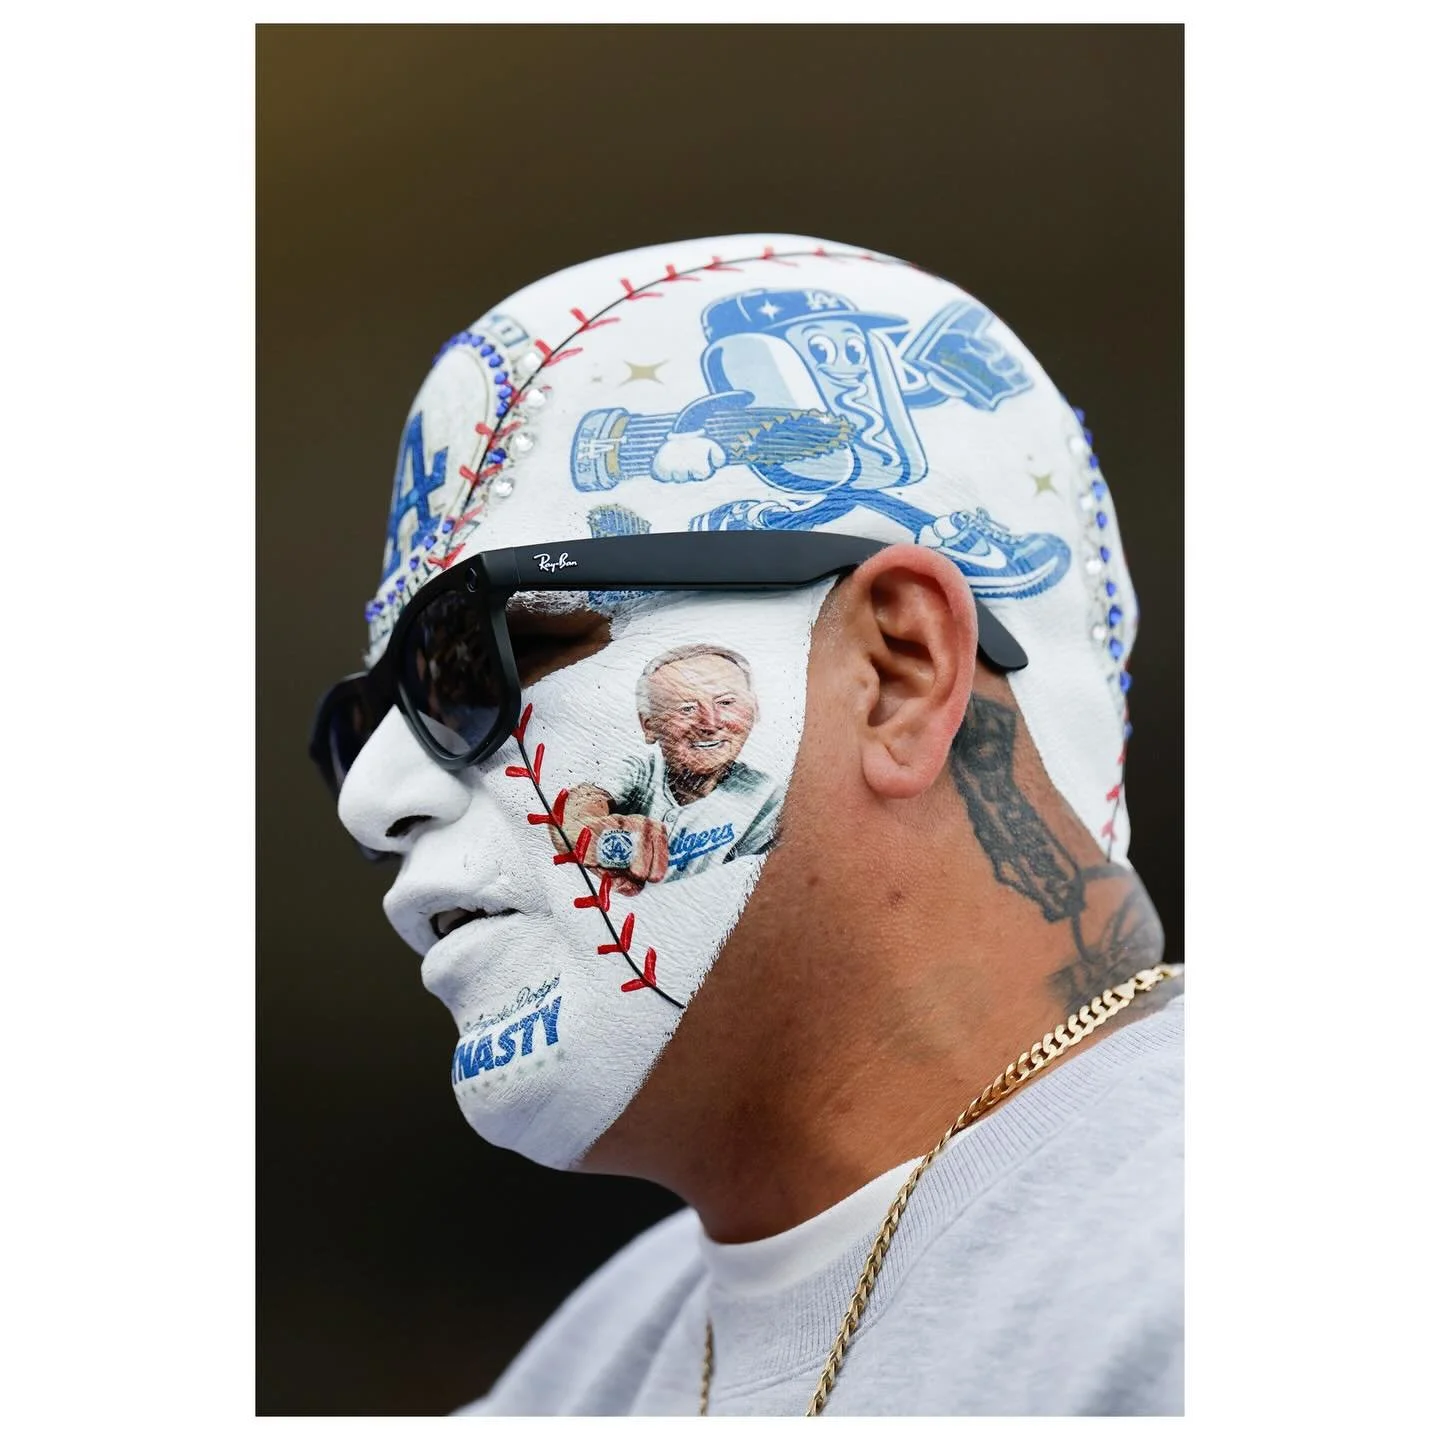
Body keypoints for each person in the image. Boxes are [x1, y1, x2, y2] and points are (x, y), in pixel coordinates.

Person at [312, 233, 1182, 1415]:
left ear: (899, 673)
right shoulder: (568, 1386)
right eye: (362, 721)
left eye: (481, 656)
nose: (374, 794)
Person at [556, 642, 781, 894]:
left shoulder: (772, 800)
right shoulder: (640, 772)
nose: (710, 723)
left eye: (726, 703)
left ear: (754, 710)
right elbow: (582, 800)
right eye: (687, 708)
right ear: (649, 726)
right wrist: (590, 827)